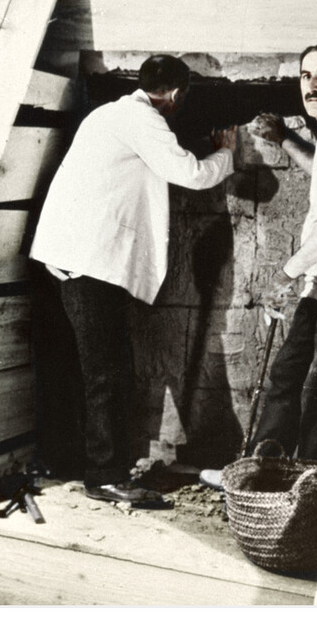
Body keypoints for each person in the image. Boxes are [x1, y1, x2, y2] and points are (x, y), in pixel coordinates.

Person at [28, 54, 237, 508]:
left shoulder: (108, 114)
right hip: (89, 263)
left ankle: (91, 467)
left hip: (79, 259)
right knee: (107, 374)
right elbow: (190, 173)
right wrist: (226, 152)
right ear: (176, 94)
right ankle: (104, 477)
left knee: (101, 370)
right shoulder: (142, 118)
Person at [200, 42, 317, 489]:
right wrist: (284, 137)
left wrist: (286, 273)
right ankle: (257, 476)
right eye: (306, 76)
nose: (312, 85)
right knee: (285, 378)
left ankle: (309, 492)